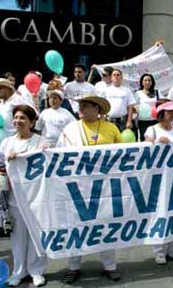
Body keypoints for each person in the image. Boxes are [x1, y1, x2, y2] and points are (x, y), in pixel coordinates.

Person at [57, 94, 122, 284]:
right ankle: (73, 266)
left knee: (106, 225)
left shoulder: (111, 129)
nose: (81, 109)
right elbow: (59, 155)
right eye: (81, 106)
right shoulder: (70, 129)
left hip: (105, 186)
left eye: (85, 106)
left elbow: (125, 156)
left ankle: (110, 266)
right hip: (78, 186)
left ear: (97, 109)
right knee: (76, 225)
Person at [0, 105, 48, 287]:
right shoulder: (6, 143)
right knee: (17, 237)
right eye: (16, 118)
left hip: (36, 198)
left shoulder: (41, 142)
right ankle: (19, 271)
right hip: (14, 198)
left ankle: (37, 271)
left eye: (23, 118)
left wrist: (20, 156)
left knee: (36, 235)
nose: (18, 121)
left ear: (32, 122)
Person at [144, 102, 173, 265]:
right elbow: (147, 146)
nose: (172, 114)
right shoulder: (152, 130)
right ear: (161, 114)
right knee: (159, 212)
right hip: (158, 179)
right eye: (169, 112)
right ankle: (159, 251)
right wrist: (155, 141)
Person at [135, 74, 158, 141]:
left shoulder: (157, 92)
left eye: (149, 80)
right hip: (143, 121)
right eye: (145, 80)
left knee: (156, 140)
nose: (147, 82)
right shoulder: (138, 93)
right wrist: (136, 108)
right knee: (145, 140)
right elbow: (134, 105)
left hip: (155, 121)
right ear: (142, 82)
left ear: (152, 82)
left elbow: (163, 102)